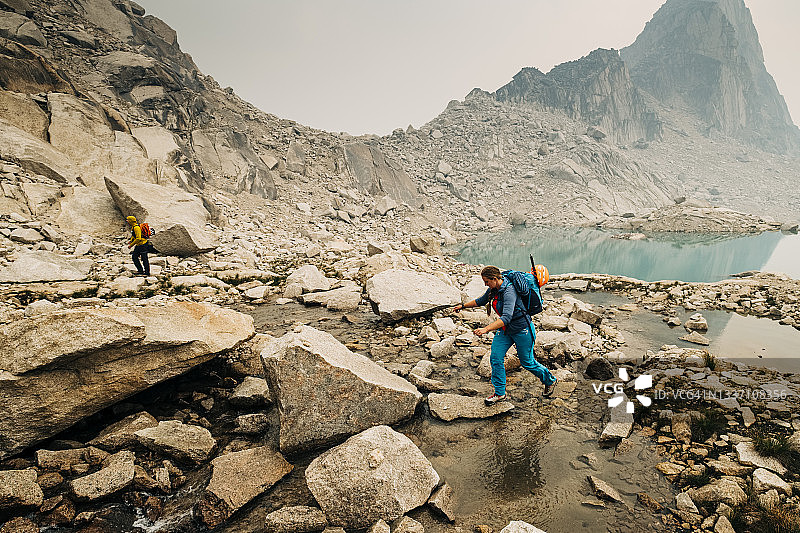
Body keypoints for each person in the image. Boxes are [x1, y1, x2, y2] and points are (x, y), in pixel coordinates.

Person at [455, 265, 557, 404]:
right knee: (496, 358)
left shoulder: (509, 290)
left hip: (522, 329)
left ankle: (550, 380)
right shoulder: (494, 289)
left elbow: (506, 317)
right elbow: (481, 301)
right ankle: (499, 393)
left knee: (527, 362)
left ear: (495, 279)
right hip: (505, 330)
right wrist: (463, 306)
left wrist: (486, 329)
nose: (485, 284)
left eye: (487, 281)